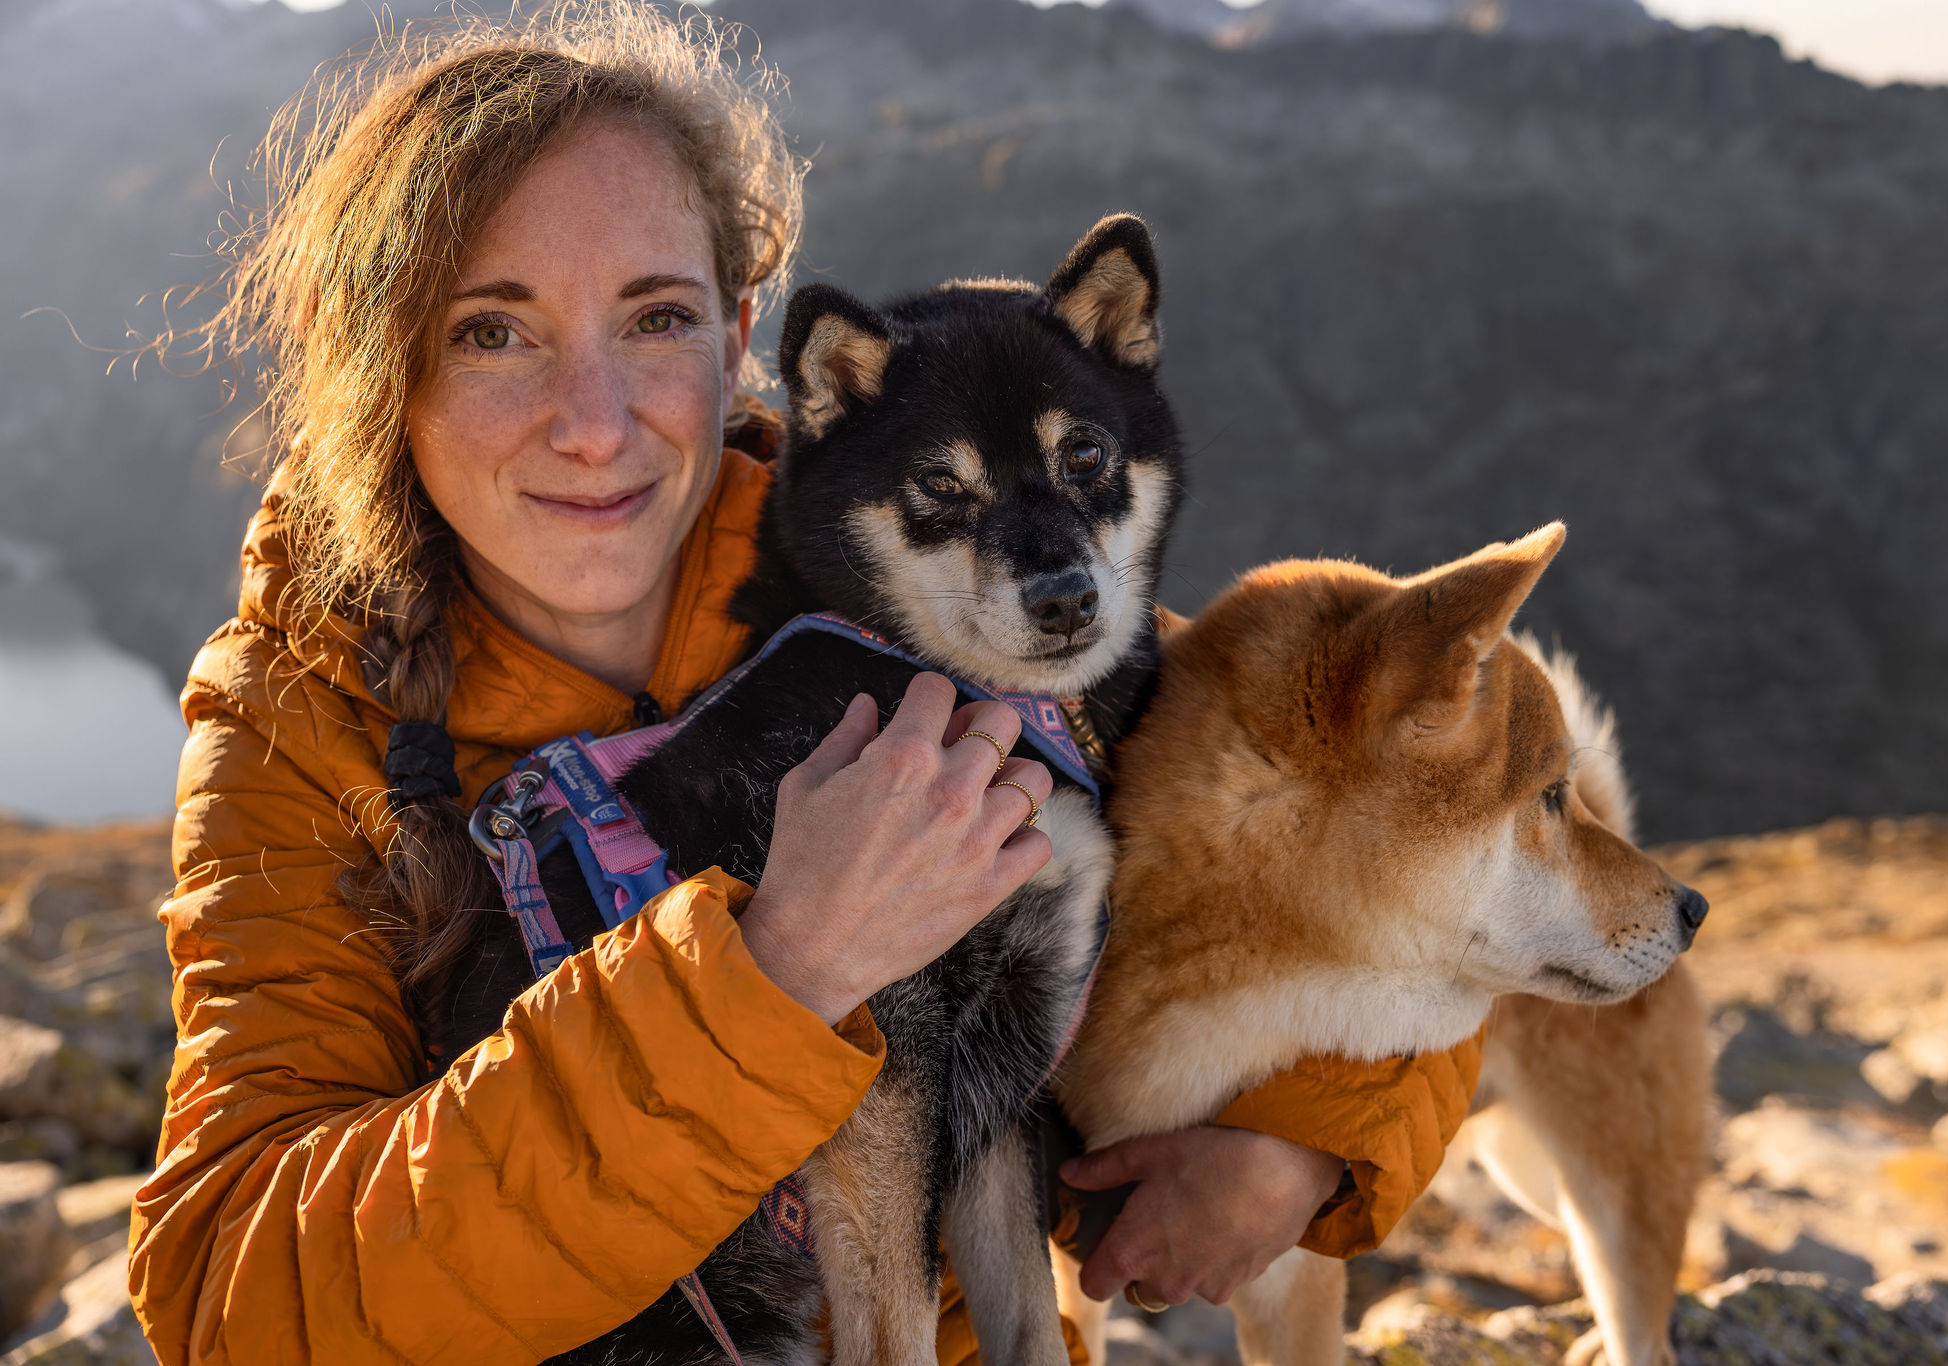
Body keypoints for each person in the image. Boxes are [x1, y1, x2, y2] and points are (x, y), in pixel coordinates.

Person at [129, 5, 1484, 1362]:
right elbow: (231, 1297)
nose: (595, 423)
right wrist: (771, 974)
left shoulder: (921, 592)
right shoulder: (301, 718)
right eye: (494, 331)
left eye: (656, 317)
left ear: (739, 338)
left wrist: (1297, 1142)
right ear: (378, 361)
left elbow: (1378, 835)